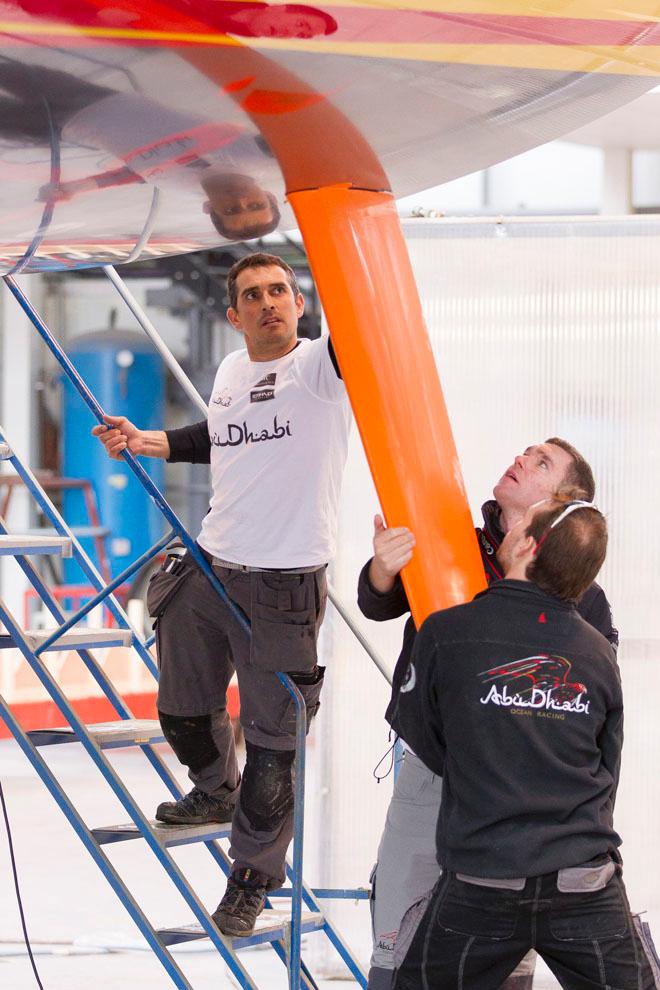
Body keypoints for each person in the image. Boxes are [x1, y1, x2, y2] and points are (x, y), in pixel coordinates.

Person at [92, 252, 351, 936]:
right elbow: (225, 436)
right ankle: (213, 794)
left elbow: (356, 329)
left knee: (273, 749)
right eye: (252, 296)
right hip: (211, 567)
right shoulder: (233, 371)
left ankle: (252, 880)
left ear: (298, 304)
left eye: (279, 291)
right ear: (233, 316)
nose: (268, 302)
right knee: (180, 709)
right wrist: (148, 441)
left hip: (282, 585)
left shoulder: (321, 370)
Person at [358, 439, 618, 990]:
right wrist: (383, 570)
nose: (521, 459)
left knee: (502, 956)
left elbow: (594, 714)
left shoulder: (586, 600)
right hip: (435, 775)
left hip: (521, 799)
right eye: (526, 452)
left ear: (563, 502)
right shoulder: (450, 542)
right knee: (400, 935)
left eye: (541, 462)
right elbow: (377, 603)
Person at [390, 489, 657, 990]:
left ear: (528, 547)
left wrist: (486, 756)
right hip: (584, 880)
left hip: (482, 881)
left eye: (524, 522)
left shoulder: (447, 633)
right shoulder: (598, 653)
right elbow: (607, 764)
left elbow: (425, 738)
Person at [0, 57, 281, 241]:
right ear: (268, 195)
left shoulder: (180, 186)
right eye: (255, 205)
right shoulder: (255, 156)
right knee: (8, 72)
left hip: (65, 129)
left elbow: (137, 172)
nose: (240, 201)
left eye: (232, 210)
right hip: (89, 97)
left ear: (210, 209)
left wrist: (76, 188)